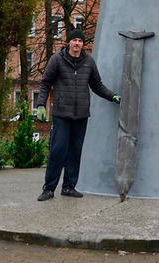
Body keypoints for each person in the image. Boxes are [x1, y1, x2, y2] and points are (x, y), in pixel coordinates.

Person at [35, 29, 120, 201]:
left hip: (81, 115)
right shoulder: (57, 60)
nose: (77, 44)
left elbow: (97, 85)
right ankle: (49, 188)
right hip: (62, 114)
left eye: (80, 41)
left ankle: (69, 187)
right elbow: (45, 83)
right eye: (74, 40)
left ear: (83, 44)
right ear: (68, 43)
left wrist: (112, 96)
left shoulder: (88, 62)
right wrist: (40, 105)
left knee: (75, 151)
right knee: (58, 150)